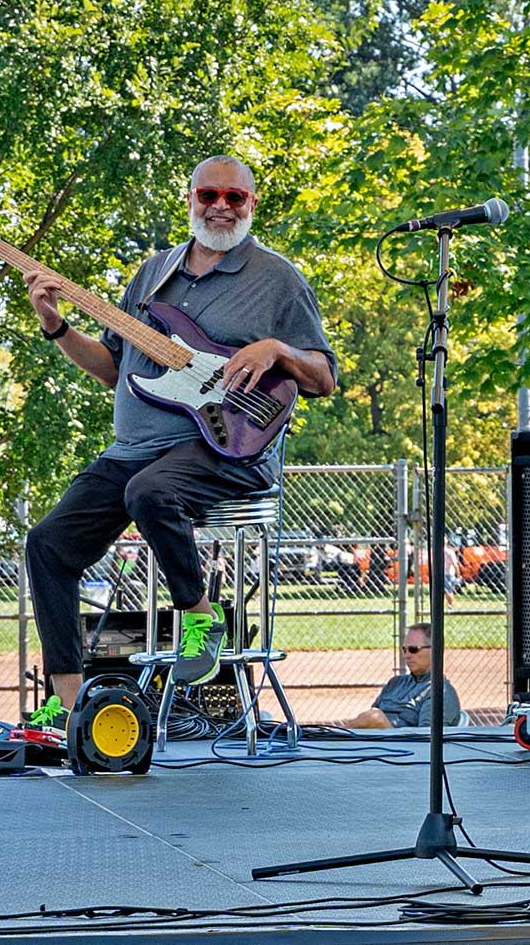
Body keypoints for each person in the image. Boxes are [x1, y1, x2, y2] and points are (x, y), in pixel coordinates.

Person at [19, 156, 337, 731]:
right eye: (209, 194)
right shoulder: (153, 274)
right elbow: (115, 368)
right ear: (190, 198)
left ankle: (198, 615)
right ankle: (65, 706)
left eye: (234, 197)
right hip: (134, 450)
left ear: (251, 205)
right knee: (47, 545)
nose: (220, 206)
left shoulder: (276, 278)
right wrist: (57, 326)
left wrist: (277, 350)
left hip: (228, 447)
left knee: (150, 493)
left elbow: (324, 377)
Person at [342, 623, 462, 728]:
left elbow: (426, 741)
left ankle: (336, 736)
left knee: (375, 718)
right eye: (404, 650)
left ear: (435, 650)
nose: (407, 655)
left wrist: (377, 722)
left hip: (402, 749)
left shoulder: (440, 692)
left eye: (414, 649)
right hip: (371, 745)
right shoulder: (395, 683)